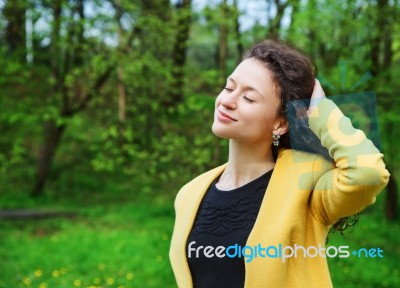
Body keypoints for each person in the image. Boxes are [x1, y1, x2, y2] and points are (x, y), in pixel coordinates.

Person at [169, 39, 390, 288]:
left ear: (281, 123)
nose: (227, 101)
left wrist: (321, 111)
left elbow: (368, 173)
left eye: (249, 98)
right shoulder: (189, 193)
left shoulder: (307, 180)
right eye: (229, 88)